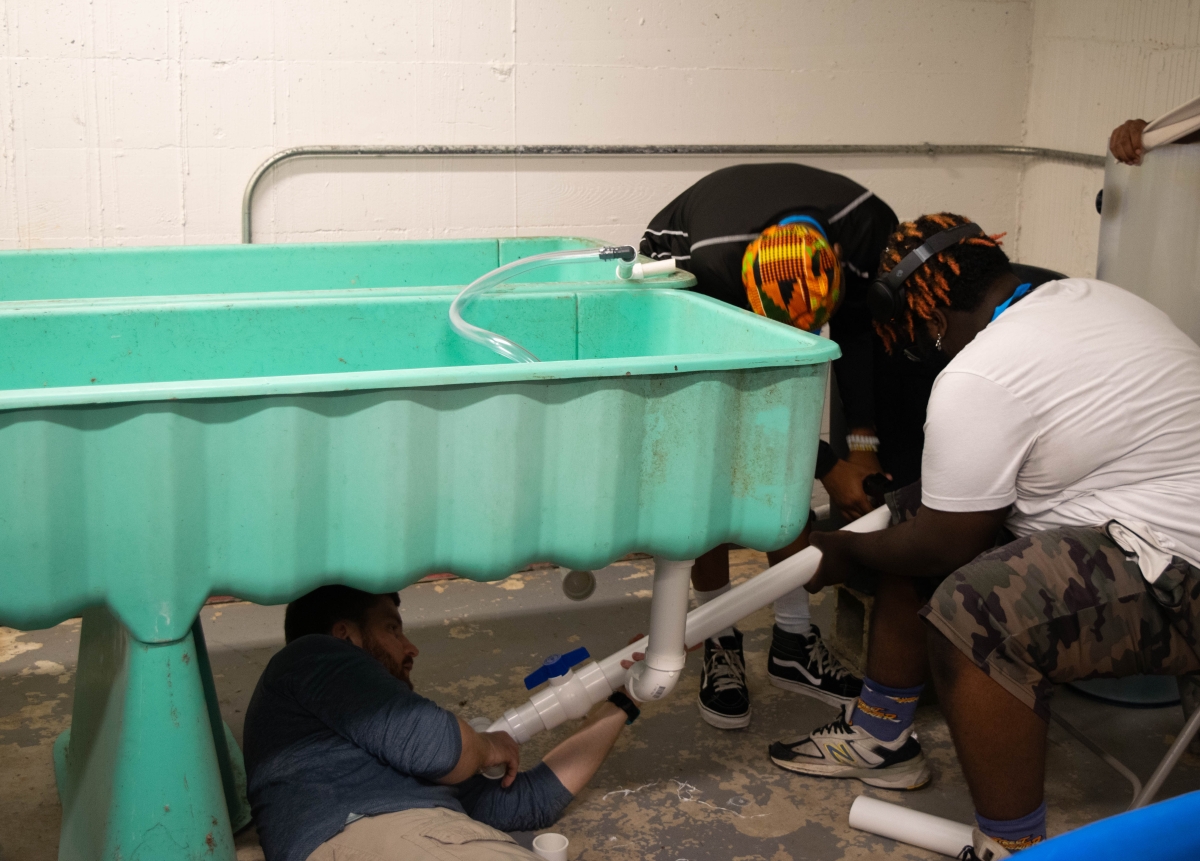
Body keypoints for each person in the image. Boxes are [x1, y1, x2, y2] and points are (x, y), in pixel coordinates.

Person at [768, 212, 1200, 857]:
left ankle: (1010, 848)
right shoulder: (1090, 296)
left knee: (974, 609)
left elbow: (944, 547)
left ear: (927, 316)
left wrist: (841, 550)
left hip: (1179, 572)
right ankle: (880, 738)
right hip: (1148, 527)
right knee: (913, 514)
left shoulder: (978, 373)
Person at [641, 162, 932, 730]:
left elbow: (858, 334)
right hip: (682, 286)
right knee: (709, 472)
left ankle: (794, 642)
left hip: (810, 247)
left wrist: (863, 448)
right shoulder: (709, 266)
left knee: (780, 462)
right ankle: (718, 637)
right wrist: (828, 466)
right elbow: (733, 400)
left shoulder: (871, 228)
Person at [243, 586, 642, 861]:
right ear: (344, 636)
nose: (410, 647)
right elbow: (439, 747)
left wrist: (626, 697)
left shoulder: (387, 740)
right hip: (376, 840)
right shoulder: (308, 657)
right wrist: (487, 746)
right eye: (391, 628)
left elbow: (530, 802)